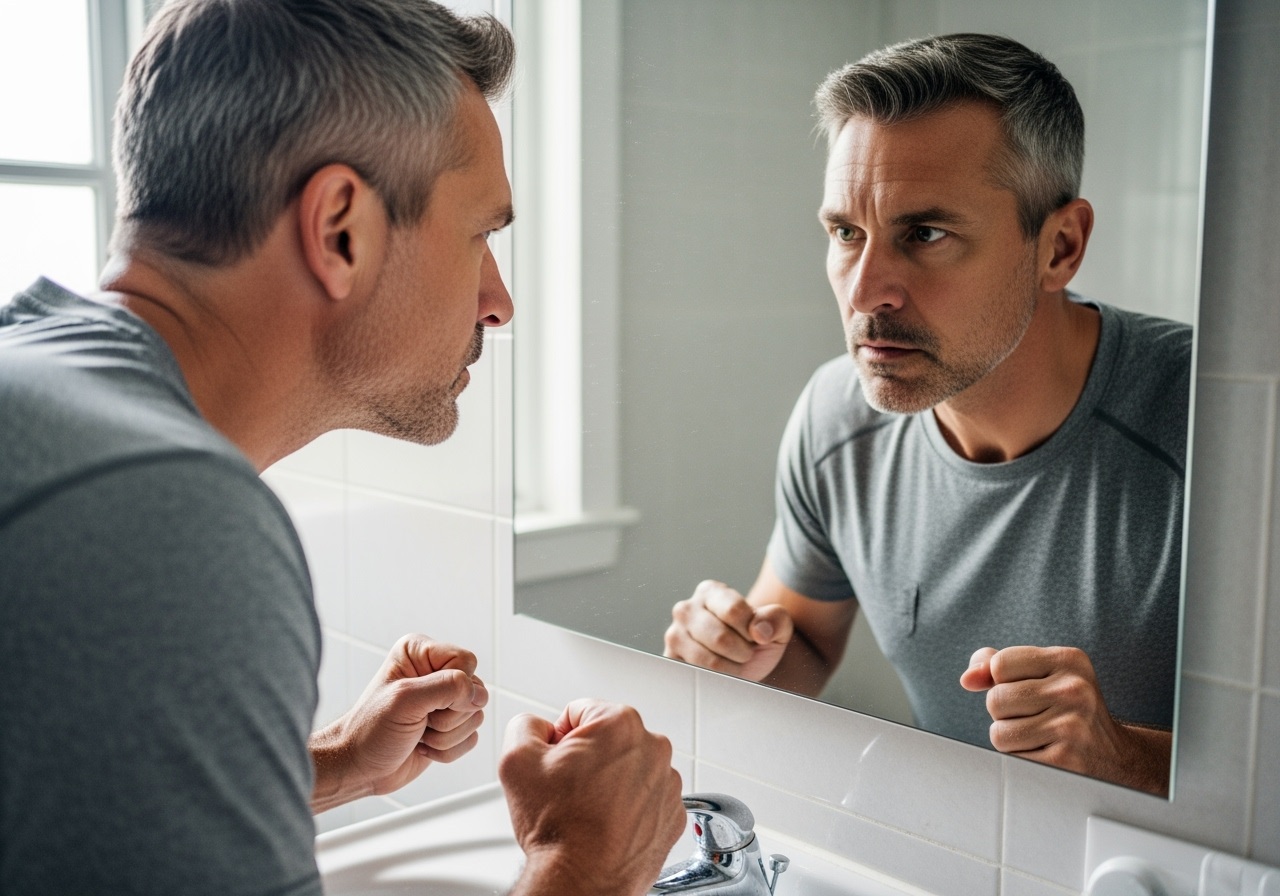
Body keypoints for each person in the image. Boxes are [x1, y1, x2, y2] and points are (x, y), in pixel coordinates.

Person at [0, 2, 684, 894]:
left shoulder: (43, 390)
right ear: (340, 230)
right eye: (480, 233)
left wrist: (335, 764)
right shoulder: (159, 512)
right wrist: (586, 863)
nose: (498, 301)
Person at [663, 33, 1189, 797]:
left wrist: (1125, 758)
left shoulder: (1220, 429)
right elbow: (801, 638)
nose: (866, 288)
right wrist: (738, 656)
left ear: (1060, 247)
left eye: (927, 234)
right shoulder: (837, 415)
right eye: (847, 233)